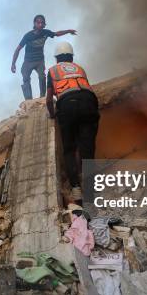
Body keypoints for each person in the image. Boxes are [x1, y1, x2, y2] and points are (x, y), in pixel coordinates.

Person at [46, 42, 99, 205]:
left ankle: (76, 189)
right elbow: (84, 87)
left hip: (67, 104)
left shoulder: (53, 70)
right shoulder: (80, 68)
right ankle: (90, 189)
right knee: (87, 148)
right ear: (71, 57)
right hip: (89, 102)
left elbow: (49, 98)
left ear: (57, 59)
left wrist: (53, 113)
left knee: (69, 149)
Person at [11, 15, 77, 100]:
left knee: (42, 77)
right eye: (38, 22)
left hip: (39, 61)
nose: (40, 24)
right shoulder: (28, 36)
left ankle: (42, 97)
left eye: (42, 23)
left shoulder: (45, 32)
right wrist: (13, 64)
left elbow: (56, 34)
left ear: (44, 24)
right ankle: (28, 100)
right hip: (28, 61)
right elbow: (17, 50)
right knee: (25, 78)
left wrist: (68, 31)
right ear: (34, 23)